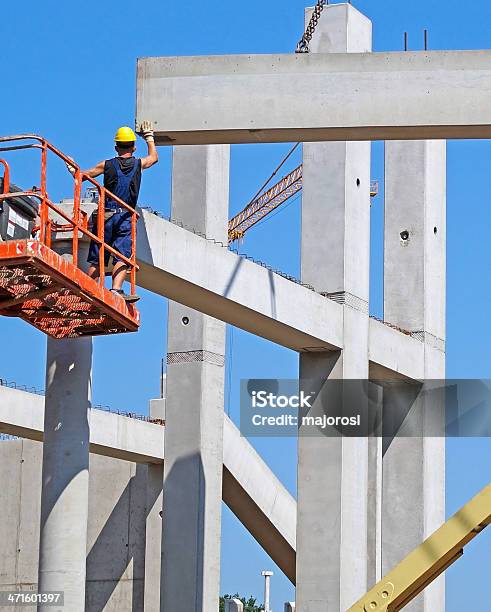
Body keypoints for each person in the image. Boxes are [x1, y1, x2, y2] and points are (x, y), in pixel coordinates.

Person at [66, 121, 158, 303]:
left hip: (106, 215)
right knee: (123, 254)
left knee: (98, 255)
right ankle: (116, 289)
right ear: (133, 146)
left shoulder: (106, 164)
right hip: (125, 216)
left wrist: (73, 168)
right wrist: (149, 137)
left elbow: (83, 176)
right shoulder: (137, 164)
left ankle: (85, 287)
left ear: (116, 147)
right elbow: (153, 157)